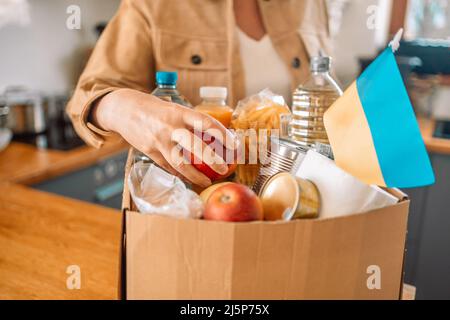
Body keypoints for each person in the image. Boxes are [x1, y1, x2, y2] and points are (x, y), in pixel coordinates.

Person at [67, 0, 331, 187]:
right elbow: (87, 96)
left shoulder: (311, 4)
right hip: (197, 204)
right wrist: (126, 110)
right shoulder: (151, 4)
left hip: (298, 201)